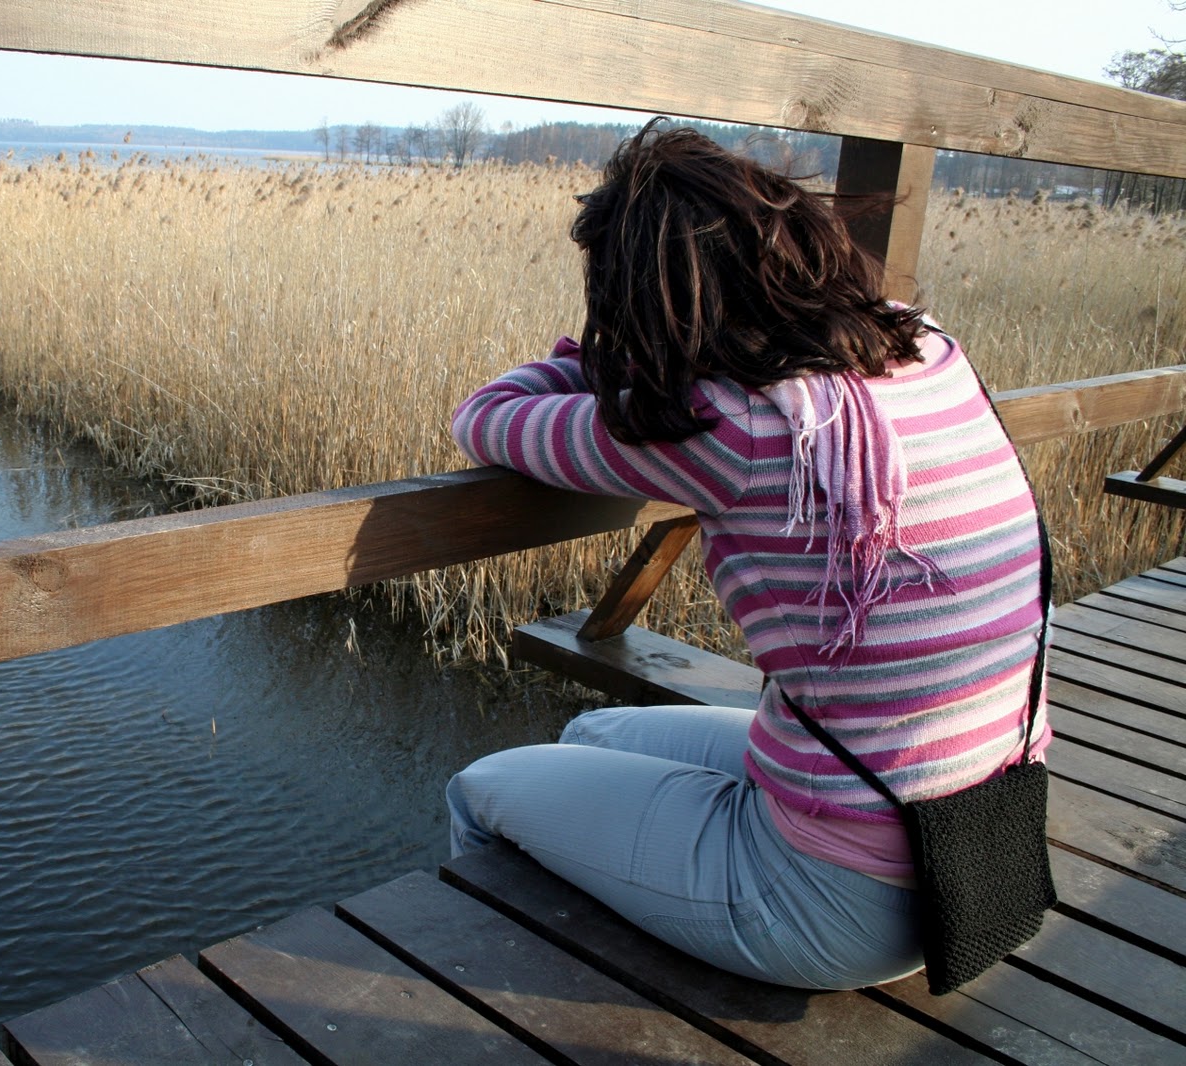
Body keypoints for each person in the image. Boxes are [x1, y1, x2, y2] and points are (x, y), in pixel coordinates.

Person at [444, 122, 1049, 990]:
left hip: (826, 903)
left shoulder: (722, 426)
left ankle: (522, 1009)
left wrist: (596, 359)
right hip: (970, 855)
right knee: (590, 733)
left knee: (481, 788)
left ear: (645, 299)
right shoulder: (925, 346)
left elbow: (485, 416)